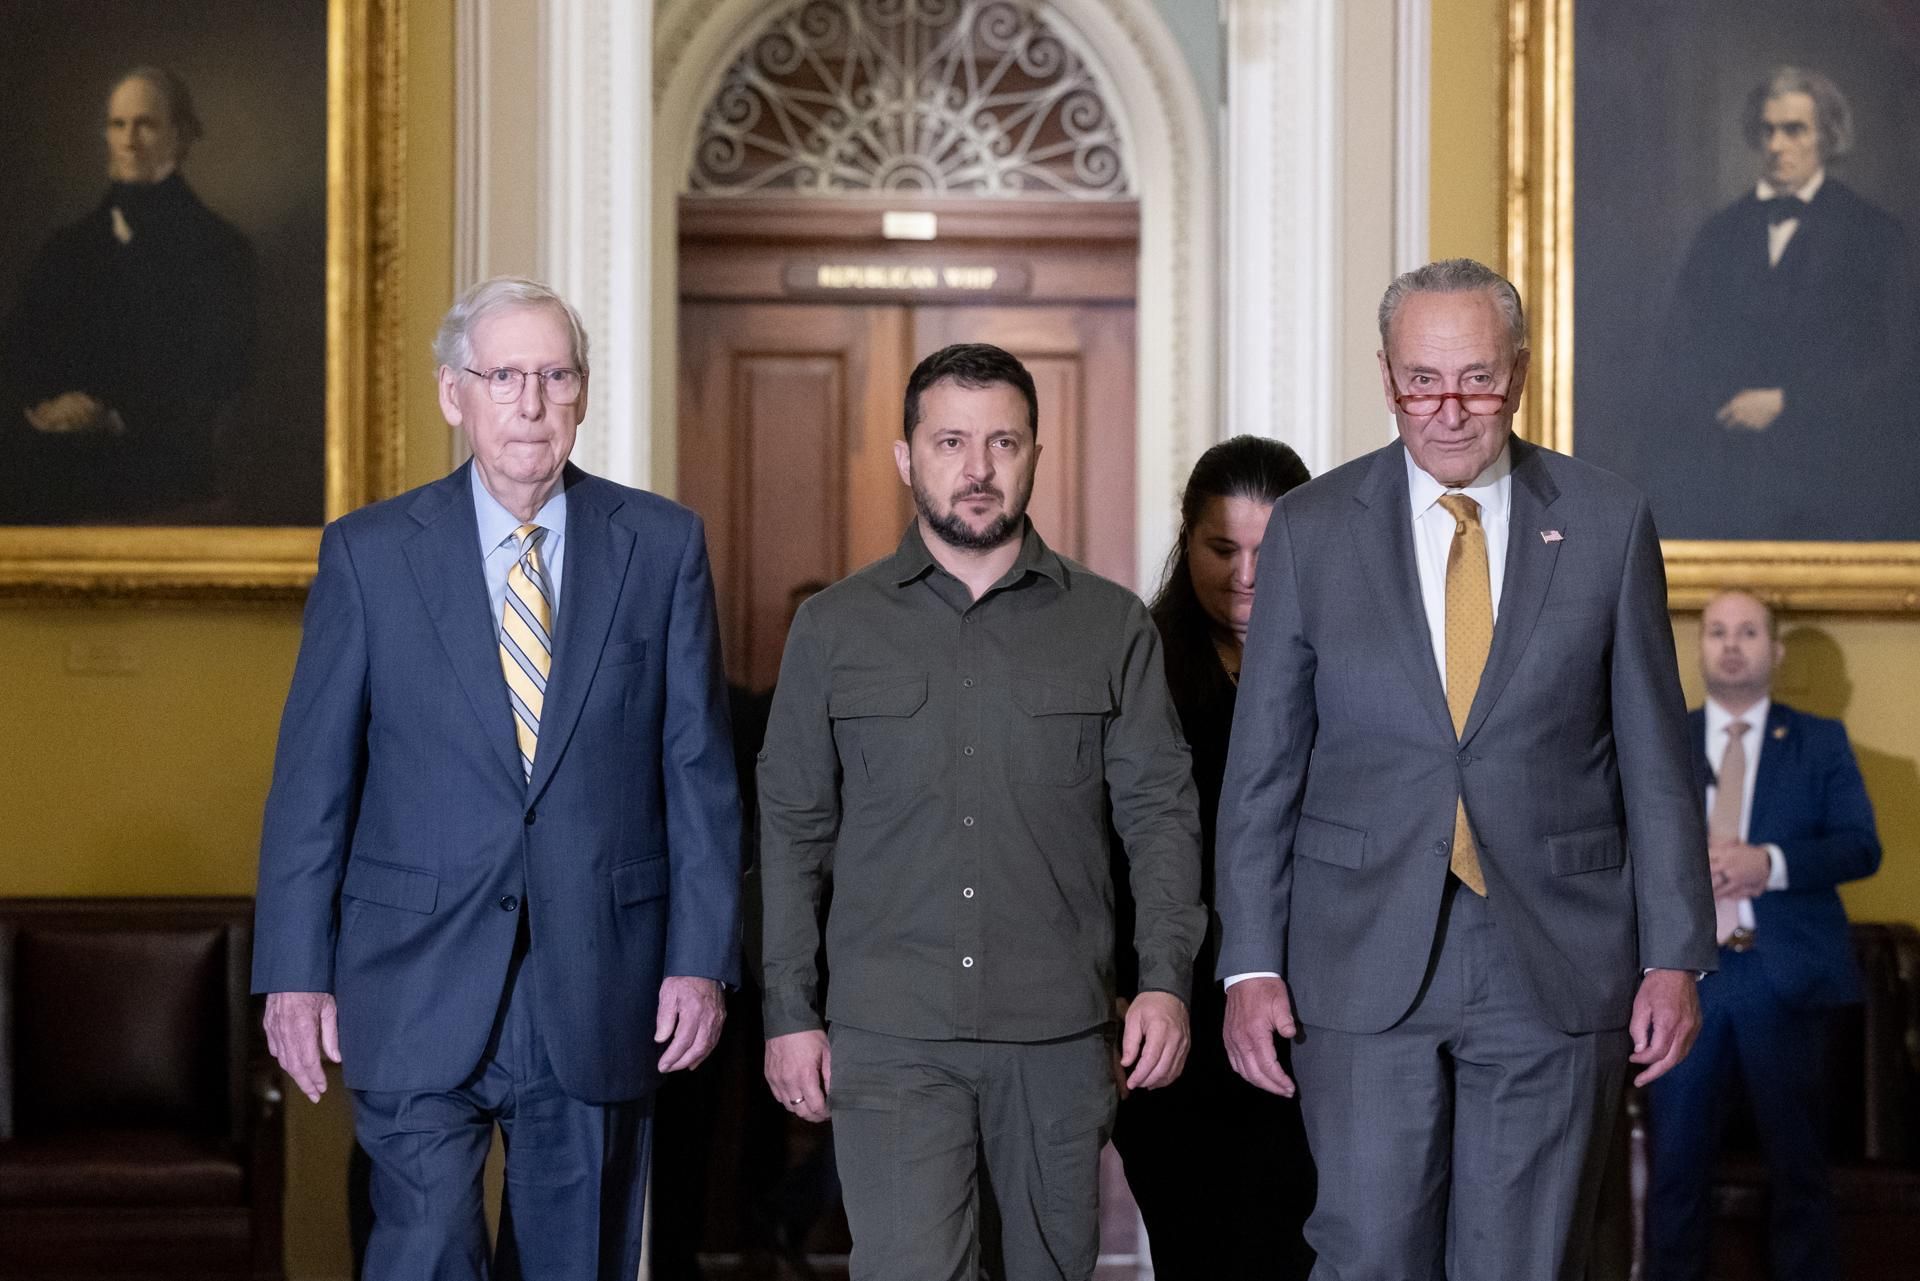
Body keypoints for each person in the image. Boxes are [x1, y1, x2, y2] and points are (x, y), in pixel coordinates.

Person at [1215, 258, 1716, 1280]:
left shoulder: (1609, 521)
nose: (1448, 409)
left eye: (1477, 380)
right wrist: (1251, 962)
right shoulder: (1310, 528)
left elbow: (1656, 760)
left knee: (1527, 1261)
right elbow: (1264, 767)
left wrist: (1676, 952)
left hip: (1557, 950)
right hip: (1354, 955)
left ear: (1519, 375)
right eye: (1421, 381)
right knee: (1368, 1252)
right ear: (1387, 377)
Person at [252, 276, 741, 1281]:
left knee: (578, 1260)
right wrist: (294, 970)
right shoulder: (370, 555)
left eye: (554, 376)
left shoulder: (660, 546)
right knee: (423, 1251)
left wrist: (701, 957)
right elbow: (314, 781)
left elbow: (696, 771)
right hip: (412, 970)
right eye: (505, 375)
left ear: (583, 394)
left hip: (599, 977)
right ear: (453, 394)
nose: (530, 401)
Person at [756, 342, 1206, 1281]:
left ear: (1036, 451)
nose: (977, 468)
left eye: (1003, 441)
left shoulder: (1111, 626)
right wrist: (789, 1010)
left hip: (1058, 1039)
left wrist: (1164, 977)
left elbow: (1160, 817)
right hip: (890, 1035)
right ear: (905, 455)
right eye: (951, 441)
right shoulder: (833, 629)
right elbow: (792, 829)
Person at [1109, 435, 1316, 1279]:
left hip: (1312, 1016)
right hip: (1172, 1015)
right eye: (1221, 547)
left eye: (1270, 551)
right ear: (1184, 538)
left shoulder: (1354, 661)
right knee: (1199, 1251)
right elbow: (1100, 846)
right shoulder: (1137, 664)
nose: (1245, 576)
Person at [1646, 590, 1881, 1281]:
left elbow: (1861, 846)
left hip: (1786, 979)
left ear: (1774, 651)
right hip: (1689, 978)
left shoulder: (1819, 741)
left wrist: (1768, 863)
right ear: (1700, 648)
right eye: (1717, 630)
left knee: (1800, 1168)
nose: (1731, 643)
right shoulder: (1663, 737)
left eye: (1748, 631)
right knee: (1675, 1168)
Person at [1654, 66, 1917, 540]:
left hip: (1836, 481)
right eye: (1768, 130)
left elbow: (1895, 367)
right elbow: (1679, 354)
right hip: (1727, 482)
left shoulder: (1873, 234)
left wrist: (1788, 403)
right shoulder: (1718, 235)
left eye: (1793, 130)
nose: (1776, 146)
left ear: (1828, 137)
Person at [0, 66, 255, 523]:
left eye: (146, 124)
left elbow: (222, 372)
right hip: (57, 471)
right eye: (118, 125)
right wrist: (47, 405)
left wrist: (113, 414)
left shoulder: (221, 250)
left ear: (180, 135)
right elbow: (22, 353)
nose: (129, 139)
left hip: (166, 478)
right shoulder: (65, 249)